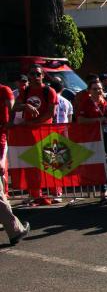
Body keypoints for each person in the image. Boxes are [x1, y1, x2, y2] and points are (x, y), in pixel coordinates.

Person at [13, 65, 59, 205]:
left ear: (43, 76)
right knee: (32, 164)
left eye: (38, 74)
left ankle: (55, 192)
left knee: (50, 163)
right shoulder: (25, 92)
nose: (35, 77)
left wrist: (33, 123)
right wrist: (26, 106)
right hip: (29, 134)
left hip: (45, 132)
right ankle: (35, 194)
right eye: (32, 74)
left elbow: (51, 113)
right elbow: (15, 107)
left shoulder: (49, 91)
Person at [0, 77, 29, 244]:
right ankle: (15, 230)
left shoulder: (5, 90)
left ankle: (14, 227)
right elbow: (12, 110)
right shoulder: (5, 90)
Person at [76, 81, 107, 201]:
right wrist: (98, 120)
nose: (98, 91)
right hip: (94, 137)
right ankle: (103, 191)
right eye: (95, 89)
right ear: (89, 91)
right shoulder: (86, 103)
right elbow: (80, 120)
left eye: (100, 88)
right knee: (100, 163)